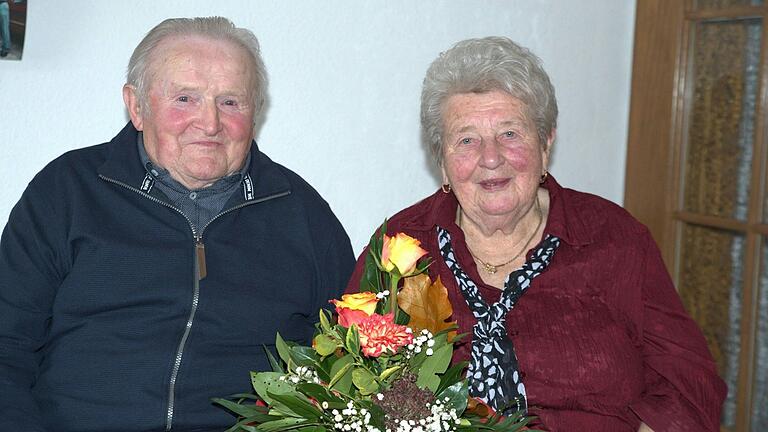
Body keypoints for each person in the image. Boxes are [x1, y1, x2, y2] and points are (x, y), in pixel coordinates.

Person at [346, 37, 726, 432]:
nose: (490, 157)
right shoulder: (402, 246)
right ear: (442, 162)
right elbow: (347, 378)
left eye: (510, 134)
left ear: (545, 144)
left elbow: (690, 383)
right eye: (466, 140)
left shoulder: (614, 238)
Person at [0, 17, 354, 431]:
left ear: (255, 112)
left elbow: (345, 372)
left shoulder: (305, 215)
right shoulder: (67, 191)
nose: (209, 123)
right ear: (137, 106)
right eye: (185, 98)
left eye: (230, 102)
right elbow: (7, 346)